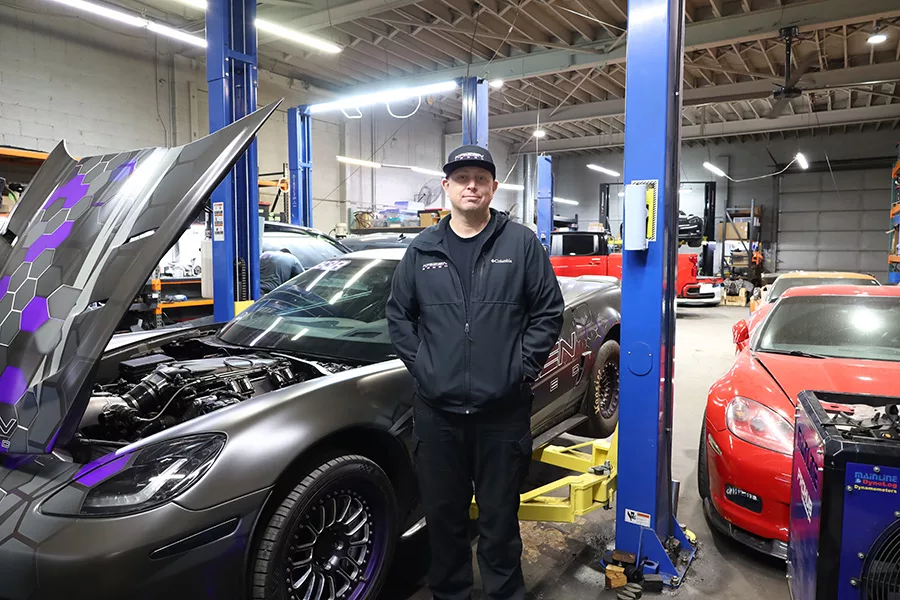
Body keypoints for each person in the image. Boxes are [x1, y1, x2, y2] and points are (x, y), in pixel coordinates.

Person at [386, 144, 564, 600]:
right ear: (446, 187)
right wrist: (425, 369)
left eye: (480, 178)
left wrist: (520, 370)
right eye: (461, 178)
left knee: (499, 519)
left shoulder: (520, 244)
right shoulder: (422, 248)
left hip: (501, 414)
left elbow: (547, 312)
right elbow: (398, 317)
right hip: (438, 416)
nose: (471, 185)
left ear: (493, 187)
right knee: (443, 521)